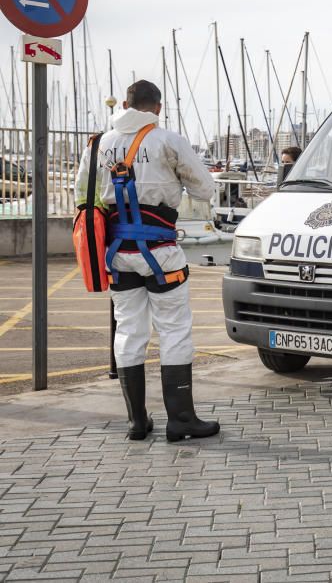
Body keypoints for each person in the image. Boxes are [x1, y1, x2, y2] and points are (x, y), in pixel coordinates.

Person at [74, 80, 220, 442]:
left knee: (129, 331)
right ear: (156, 107)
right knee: (173, 329)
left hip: (118, 254)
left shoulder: (98, 145)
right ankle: (181, 419)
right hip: (161, 252)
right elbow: (205, 188)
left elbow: (82, 193)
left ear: (125, 104)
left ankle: (136, 421)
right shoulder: (168, 140)